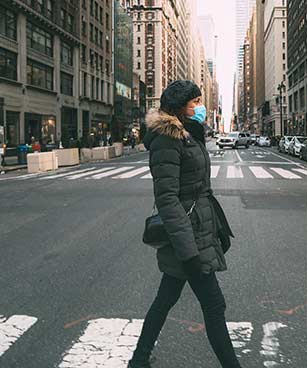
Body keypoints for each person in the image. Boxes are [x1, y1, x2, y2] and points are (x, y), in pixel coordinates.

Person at [129, 80, 237, 368]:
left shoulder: (188, 135)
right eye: (195, 102)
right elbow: (167, 199)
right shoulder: (167, 140)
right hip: (188, 237)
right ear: (179, 106)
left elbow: (199, 185)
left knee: (165, 299)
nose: (200, 107)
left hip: (196, 229)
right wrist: (189, 251)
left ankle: (138, 360)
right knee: (214, 306)